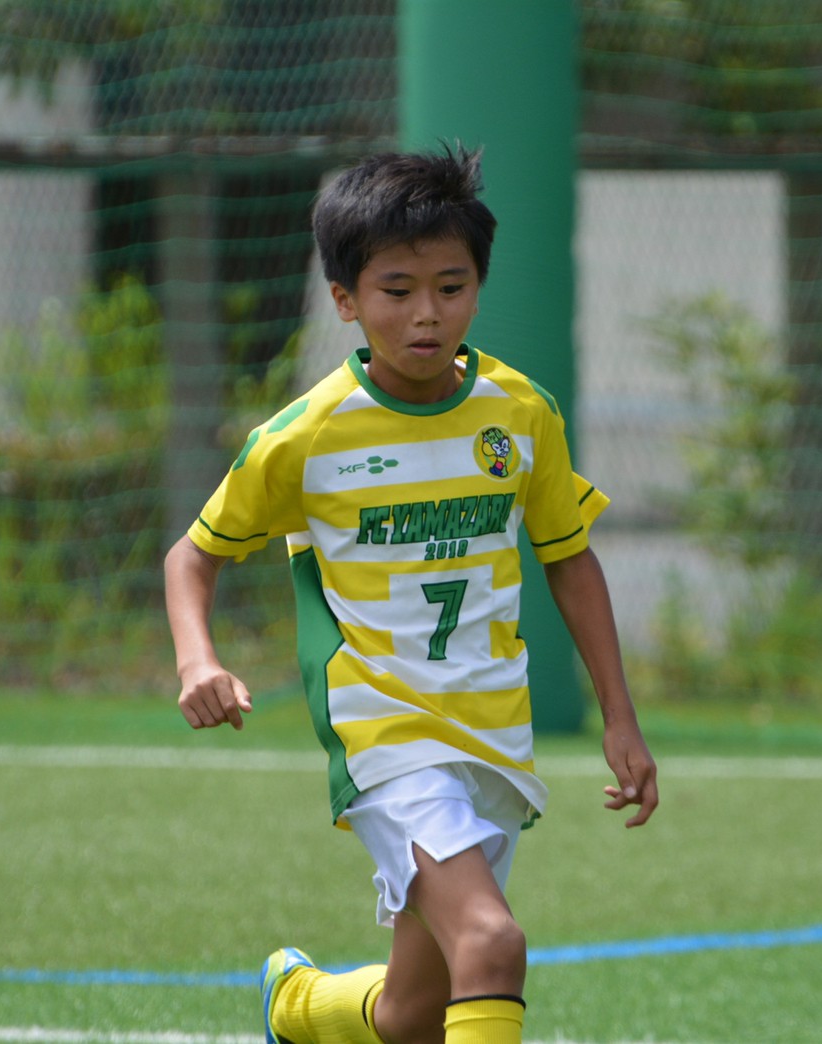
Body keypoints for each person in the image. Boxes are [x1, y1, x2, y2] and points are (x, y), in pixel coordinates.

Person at [163, 144, 659, 1044]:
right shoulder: (305, 436)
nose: (427, 313)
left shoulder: (520, 413)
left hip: (493, 729)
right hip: (383, 731)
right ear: (345, 299)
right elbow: (192, 557)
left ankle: (297, 1006)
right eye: (397, 291)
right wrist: (199, 660)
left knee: (414, 1013)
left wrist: (620, 718)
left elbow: (569, 557)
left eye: (451, 286)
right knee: (492, 942)